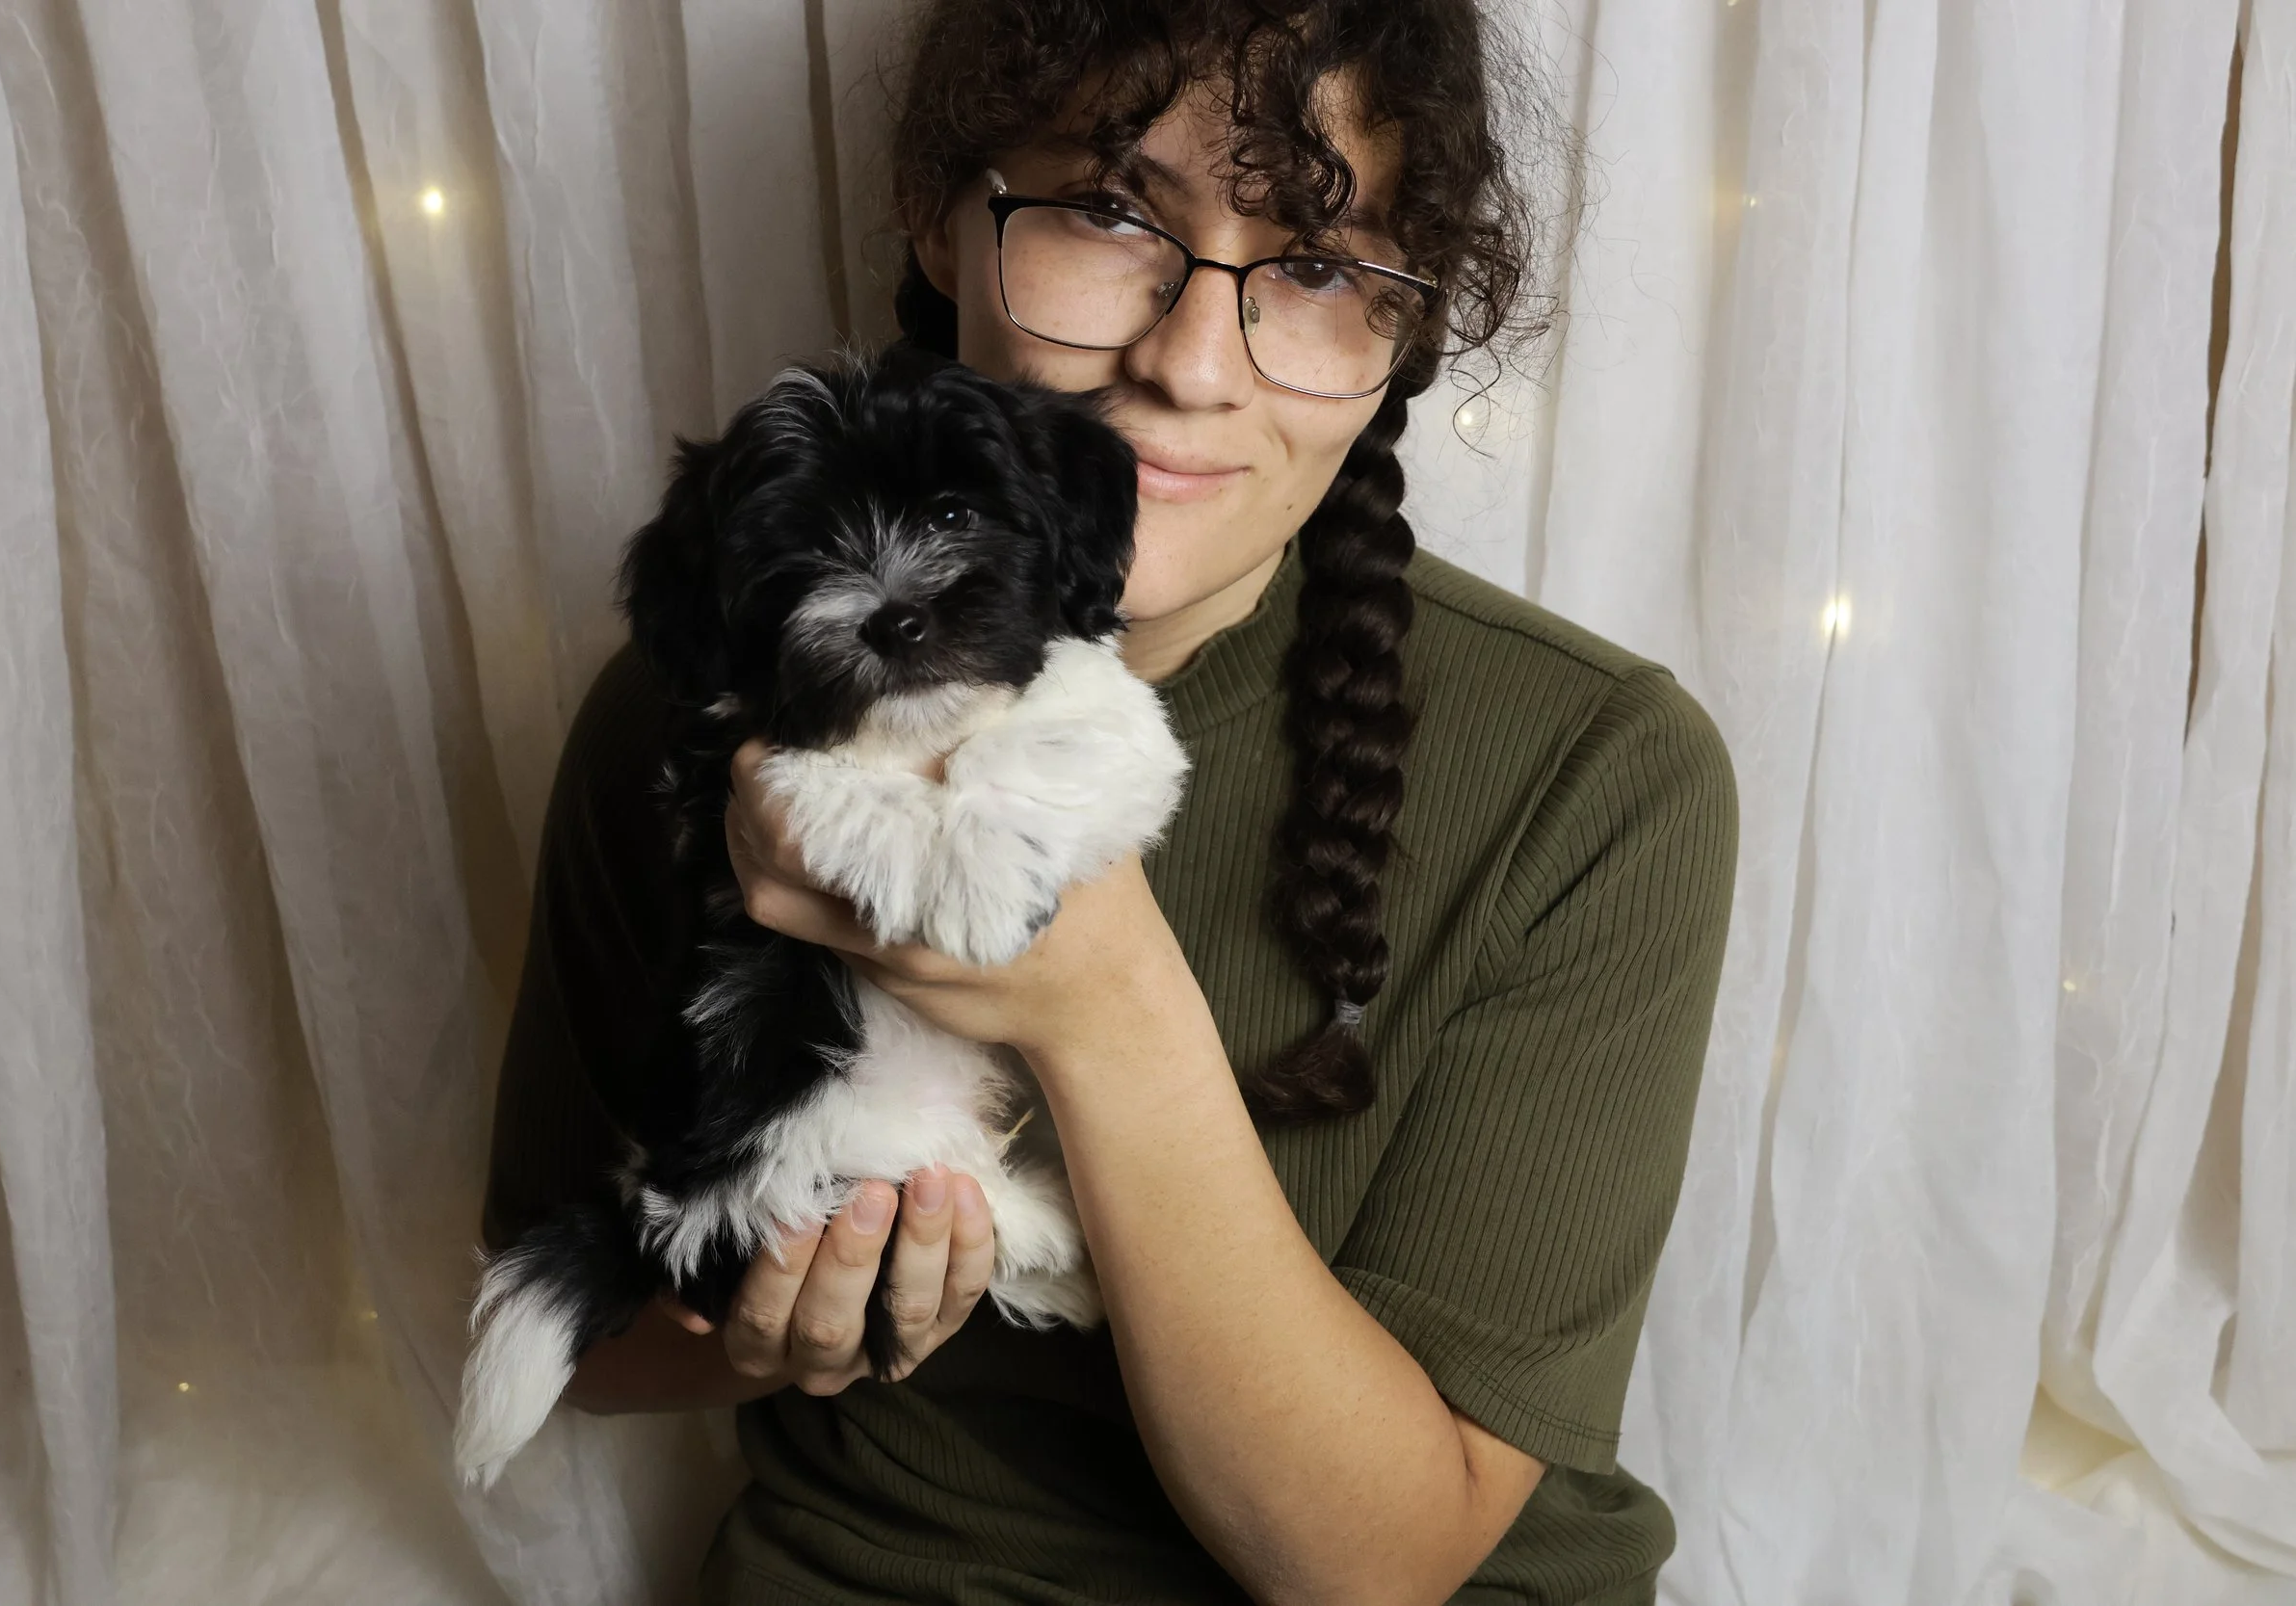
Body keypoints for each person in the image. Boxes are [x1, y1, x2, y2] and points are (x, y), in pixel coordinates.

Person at [480, 2, 1739, 1600]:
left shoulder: (1597, 773)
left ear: (1407, 334)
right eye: (1107, 211)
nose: (1189, 362)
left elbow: (1375, 1564)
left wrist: (1104, 1005)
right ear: (941, 217)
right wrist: (758, 1325)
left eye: (1322, 264)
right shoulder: (699, 707)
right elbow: (587, 1346)